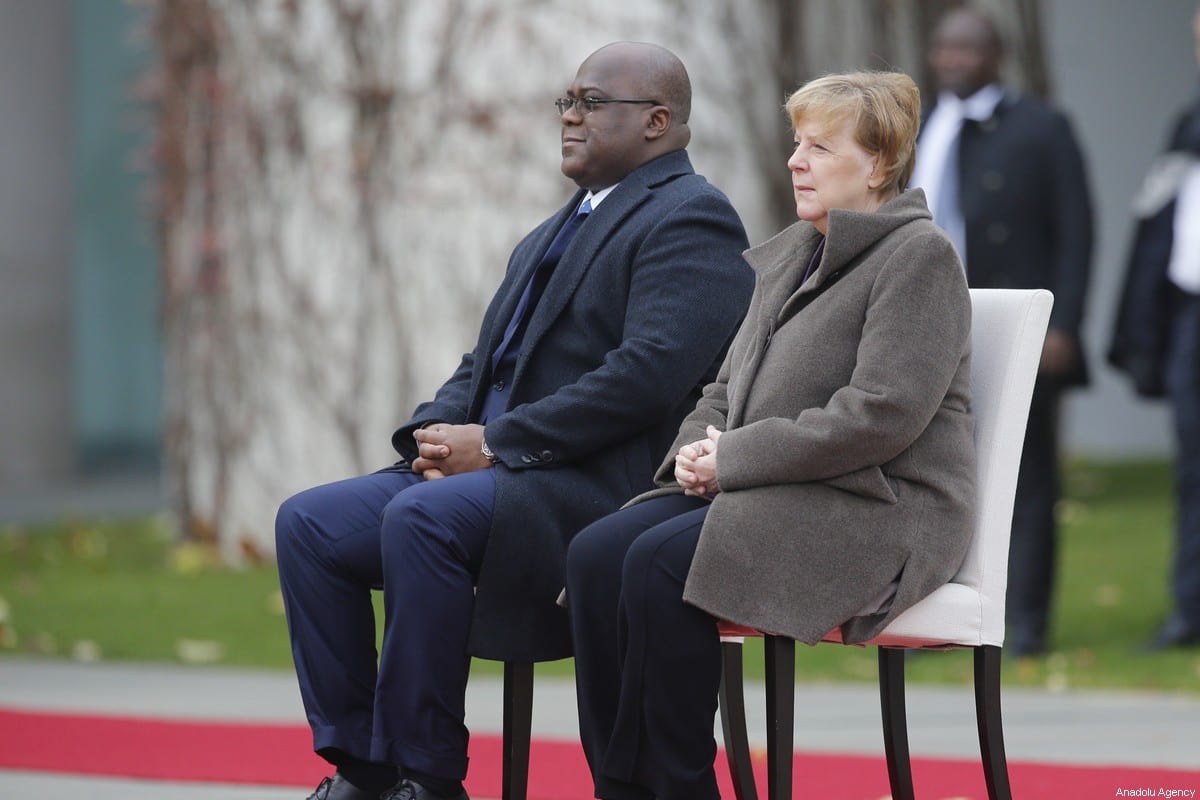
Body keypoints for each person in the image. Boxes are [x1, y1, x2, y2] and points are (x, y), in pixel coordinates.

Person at [274, 42, 754, 800]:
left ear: (658, 121)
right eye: (566, 100)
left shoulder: (692, 217)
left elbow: (644, 377)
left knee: (423, 521)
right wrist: (434, 435)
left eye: (592, 102)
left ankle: (427, 779)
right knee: (310, 524)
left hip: (589, 491)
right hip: (496, 476)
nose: (569, 115)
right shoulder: (553, 229)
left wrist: (495, 445)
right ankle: (364, 771)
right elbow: (482, 361)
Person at [564, 70, 975, 800]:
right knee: (598, 553)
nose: (796, 160)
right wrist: (698, 451)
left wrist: (735, 459)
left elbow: (880, 414)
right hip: (780, 485)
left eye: (820, 146)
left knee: (660, 562)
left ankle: (679, 786)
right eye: (797, 143)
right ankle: (620, 786)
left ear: (879, 163)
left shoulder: (918, 256)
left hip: (880, 506)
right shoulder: (791, 252)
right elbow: (723, 388)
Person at [909, 6, 1094, 657]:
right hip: (928, 322)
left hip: (1017, 330)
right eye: (945, 50)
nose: (953, 61)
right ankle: (942, 614)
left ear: (996, 57)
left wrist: (1063, 324)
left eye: (967, 50)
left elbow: (1077, 231)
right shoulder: (921, 125)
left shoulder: (1042, 128)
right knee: (937, 468)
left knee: (1026, 474)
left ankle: (1027, 622)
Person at [1109, 6, 1200, 651]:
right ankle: (1191, 609)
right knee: (1193, 471)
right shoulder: (1189, 125)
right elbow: (1160, 230)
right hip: (1192, 317)